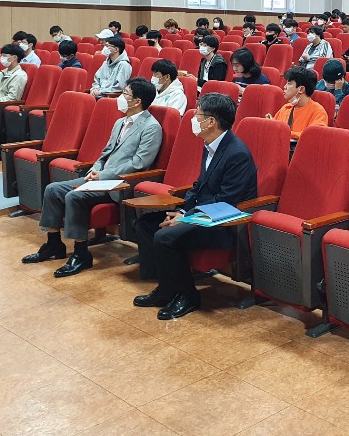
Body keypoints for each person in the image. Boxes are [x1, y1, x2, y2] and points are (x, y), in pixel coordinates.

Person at [132, 94, 258, 319]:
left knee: (165, 236)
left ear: (211, 122)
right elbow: (199, 185)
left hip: (222, 222)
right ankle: (165, 289)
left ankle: (188, 296)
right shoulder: (211, 144)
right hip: (200, 214)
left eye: (197, 115)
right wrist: (181, 211)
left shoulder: (237, 153)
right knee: (146, 224)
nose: (193, 119)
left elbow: (226, 200)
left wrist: (186, 217)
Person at [22, 78, 163, 277]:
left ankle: (81, 254)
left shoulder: (151, 127)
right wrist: (95, 170)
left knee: (74, 196)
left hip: (121, 183)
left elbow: (140, 163)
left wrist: (103, 175)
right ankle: (53, 244)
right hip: (101, 177)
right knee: (53, 189)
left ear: (137, 101)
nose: (121, 97)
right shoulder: (120, 122)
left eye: (125, 94)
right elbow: (106, 152)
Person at [270, 66, 328, 140]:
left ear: (301, 89)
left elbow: (314, 136)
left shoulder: (318, 111)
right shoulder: (285, 108)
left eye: (289, 84)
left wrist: (284, 132)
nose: (284, 87)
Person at [0, 44, 28, 120]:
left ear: (15, 57)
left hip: (1, 108)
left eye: (5, 55)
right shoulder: (1, 73)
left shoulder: (19, 75)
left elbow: (13, 98)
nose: (2, 58)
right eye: (1, 55)